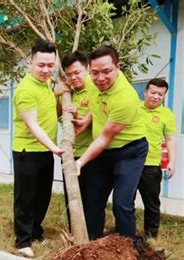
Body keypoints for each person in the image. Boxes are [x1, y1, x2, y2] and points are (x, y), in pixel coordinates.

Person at [76, 46, 148, 240]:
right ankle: (93, 246)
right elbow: (97, 103)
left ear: (118, 67)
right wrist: (86, 120)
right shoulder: (92, 83)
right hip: (104, 152)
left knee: (121, 204)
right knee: (93, 201)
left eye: (107, 71)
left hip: (130, 151)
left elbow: (104, 137)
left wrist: (80, 162)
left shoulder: (126, 97)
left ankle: (126, 252)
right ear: (89, 70)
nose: (100, 78)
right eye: (95, 72)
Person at [12, 39, 63, 258]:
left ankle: (35, 230)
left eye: (50, 65)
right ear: (30, 62)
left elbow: (50, 107)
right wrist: (55, 148)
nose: (46, 70)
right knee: (26, 196)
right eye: (41, 65)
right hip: (28, 151)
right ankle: (23, 240)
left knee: (43, 195)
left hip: (45, 150)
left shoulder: (47, 83)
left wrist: (59, 94)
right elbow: (32, 125)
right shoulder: (25, 90)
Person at [56, 51, 94, 230]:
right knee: (71, 195)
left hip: (91, 153)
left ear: (87, 69)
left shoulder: (96, 89)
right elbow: (57, 115)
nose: (73, 77)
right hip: (70, 152)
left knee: (92, 196)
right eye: (69, 74)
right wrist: (57, 96)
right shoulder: (68, 93)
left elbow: (104, 119)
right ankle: (75, 231)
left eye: (77, 72)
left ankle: (91, 233)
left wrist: (83, 117)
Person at [136, 78, 177, 238]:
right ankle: (126, 233)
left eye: (160, 94)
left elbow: (170, 139)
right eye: (153, 92)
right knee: (126, 201)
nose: (156, 96)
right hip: (131, 163)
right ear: (145, 92)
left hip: (151, 165)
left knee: (152, 203)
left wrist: (172, 161)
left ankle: (151, 235)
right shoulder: (134, 108)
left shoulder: (167, 115)